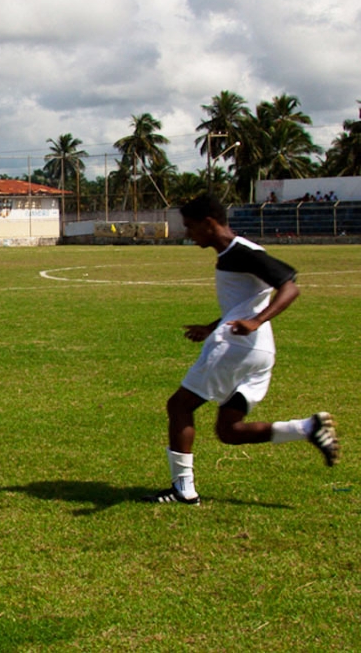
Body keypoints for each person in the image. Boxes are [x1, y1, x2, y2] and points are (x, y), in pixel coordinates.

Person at [144, 194, 338, 506]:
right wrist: (212, 326)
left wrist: (257, 321)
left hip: (236, 347)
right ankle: (307, 428)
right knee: (230, 430)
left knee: (179, 407)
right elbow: (245, 303)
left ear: (209, 223)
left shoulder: (242, 251)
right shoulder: (230, 254)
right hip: (259, 352)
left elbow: (290, 286)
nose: (188, 233)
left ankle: (183, 490)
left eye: (191, 227)